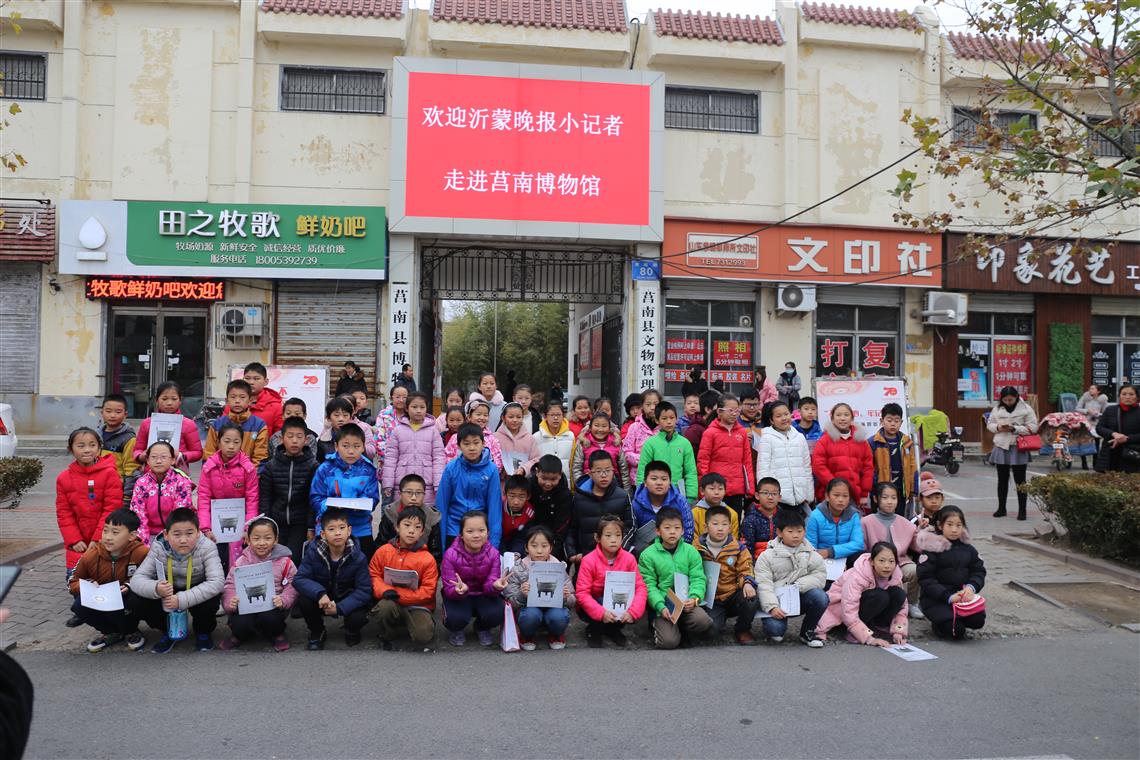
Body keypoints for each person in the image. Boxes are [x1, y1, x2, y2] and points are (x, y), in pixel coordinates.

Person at [129, 507, 225, 653]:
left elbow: (216, 582)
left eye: (189, 533)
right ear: (166, 535)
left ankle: (203, 632)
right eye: (177, 534)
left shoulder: (207, 547)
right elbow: (137, 579)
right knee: (136, 599)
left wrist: (180, 600)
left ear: (198, 533)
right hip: (168, 588)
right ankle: (166, 630)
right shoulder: (159, 547)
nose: (183, 540)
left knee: (211, 599)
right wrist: (156, 588)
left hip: (196, 585)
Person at [67, 508, 150, 653]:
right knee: (79, 605)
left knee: (135, 600)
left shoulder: (142, 553)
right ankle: (110, 632)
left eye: (115, 532)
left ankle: (131, 631)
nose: (108, 537)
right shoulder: (92, 554)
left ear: (132, 535)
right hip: (101, 598)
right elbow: (72, 581)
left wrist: (130, 586)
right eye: (105, 531)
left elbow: (151, 578)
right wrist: (87, 585)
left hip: (126, 600)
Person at [293, 506, 373, 650]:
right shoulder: (314, 552)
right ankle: (317, 631)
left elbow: (364, 590)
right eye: (331, 529)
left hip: (346, 597)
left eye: (342, 528)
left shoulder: (358, 556)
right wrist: (320, 593)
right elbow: (299, 579)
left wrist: (339, 608)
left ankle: (351, 630)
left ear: (349, 531)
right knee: (304, 600)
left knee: (359, 614)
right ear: (323, 534)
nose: (337, 533)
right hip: (323, 598)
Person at [638, 507, 714, 650]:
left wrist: (694, 598)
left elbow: (698, 578)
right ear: (658, 531)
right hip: (664, 605)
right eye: (667, 528)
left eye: (677, 528)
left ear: (683, 530)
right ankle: (656, 625)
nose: (672, 532)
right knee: (668, 643)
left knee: (703, 621)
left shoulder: (691, 551)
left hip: (685, 601)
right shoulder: (648, 555)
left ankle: (683, 630)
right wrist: (660, 606)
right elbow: (648, 585)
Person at [218, 516, 297, 652]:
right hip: (245, 606)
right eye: (256, 538)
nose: (262, 543)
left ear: (276, 539)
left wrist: (283, 599)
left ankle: (277, 635)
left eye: (268, 538)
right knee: (241, 623)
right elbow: (230, 585)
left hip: (272, 606)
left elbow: (292, 584)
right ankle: (238, 635)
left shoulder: (285, 562)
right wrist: (231, 601)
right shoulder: (241, 562)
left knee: (270, 618)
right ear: (248, 540)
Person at [57, 428, 122, 586]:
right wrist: (74, 540)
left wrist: (98, 538)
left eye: (92, 445)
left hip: (106, 540)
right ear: (71, 449)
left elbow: (112, 508)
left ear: (99, 448)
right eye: (81, 446)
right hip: (78, 545)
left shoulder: (109, 474)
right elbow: (64, 512)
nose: (87, 450)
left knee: (107, 583)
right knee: (77, 584)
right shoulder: (64, 478)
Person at [754, 510, 828, 646]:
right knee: (775, 632)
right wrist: (772, 607)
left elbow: (820, 576)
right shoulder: (767, 556)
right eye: (790, 531)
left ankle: (807, 632)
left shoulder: (812, 554)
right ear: (779, 532)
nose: (795, 535)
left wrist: (798, 585)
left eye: (799, 531)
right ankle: (775, 626)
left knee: (820, 597)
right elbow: (763, 584)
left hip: (799, 598)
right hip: (776, 602)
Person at [369, 506, 439, 651]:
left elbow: (428, 591)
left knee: (423, 636)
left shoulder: (427, 559)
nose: (411, 530)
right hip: (390, 600)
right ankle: (389, 633)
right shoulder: (383, 551)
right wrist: (384, 591)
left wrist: (398, 594)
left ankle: (417, 624)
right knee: (384, 608)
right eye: (407, 525)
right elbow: (373, 575)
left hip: (418, 605)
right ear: (397, 527)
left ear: (422, 532)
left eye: (417, 527)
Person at [814, 542, 909, 647]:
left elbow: (902, 607)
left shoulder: (895, 576)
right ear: (872, 561)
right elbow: (849, 608)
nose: (887, 566)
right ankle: (853, 633)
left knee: (899, 594)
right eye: (881, 561)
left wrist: (898, 631)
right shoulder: (857, 576)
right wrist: (868, 638)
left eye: (891, 561)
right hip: (842, 616)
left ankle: (879, 627)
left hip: (867, 612)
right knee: (880, 596)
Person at [309, 424, 380, 558]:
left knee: (361, 564)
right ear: (336, 446)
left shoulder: (368, 470)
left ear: (363, 447)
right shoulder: (325, 469)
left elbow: (373, 498)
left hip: (360, 528)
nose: (351, 451)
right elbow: (316, 497)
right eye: (345, 446)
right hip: (330, 527)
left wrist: (360, 505)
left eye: (356, 446)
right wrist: (328, 506)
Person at [917, 506, 986, 639]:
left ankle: (957, 619)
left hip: (962, 598)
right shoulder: (931, 548)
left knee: (978, 621)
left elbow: (978, 571)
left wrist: (971, 588)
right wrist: (948, 596)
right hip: (936, 599)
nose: (954, 529)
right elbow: (926, 579)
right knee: (956, 632)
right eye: (949, 525)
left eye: (958, 525)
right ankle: (939, 625)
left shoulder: (969, 549)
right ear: (940, 525)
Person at [197, 421, 259, 569]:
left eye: (236, 442)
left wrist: (248, 528)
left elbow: (252, 500)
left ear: (242, 443)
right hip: (215, 523)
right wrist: (205, 528)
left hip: (240, 524)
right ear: (218, 442)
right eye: (227, 441)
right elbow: (203, 498)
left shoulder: (248, 468)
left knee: (239, 561)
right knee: (215, 559)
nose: (231, 446)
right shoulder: (209, 467)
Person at [503, 525, 575, 650]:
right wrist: (521, 594)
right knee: (531, 615)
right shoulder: (518, 569)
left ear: (551, 547)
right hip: (529, 610)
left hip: (553, 609)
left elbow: (573, 600)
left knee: (559, 616)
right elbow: (510, 602)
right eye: (534, 546)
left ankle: (556, 634)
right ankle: (527, 636)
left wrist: (566, 596)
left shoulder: (559, 567)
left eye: (544, 546)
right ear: (526, 547)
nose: (539, 551)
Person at [694, 505, 759, 645]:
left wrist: (747, 583)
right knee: (711, 632)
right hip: (712, 599)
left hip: (732, 594)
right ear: (705, 527)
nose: (720, 528)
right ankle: (719, 619)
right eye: (715, 524)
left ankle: (742, 630)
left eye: (724, 524)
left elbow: (746, 568)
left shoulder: (738, 548)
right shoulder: (696, 548)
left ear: (730, 528)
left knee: (751, 598)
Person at [441, 511, 507, 647]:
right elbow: (448, 588)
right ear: (461, 534)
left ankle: (481, 627)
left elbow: (491, 583)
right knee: (454, 618)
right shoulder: (450, 554)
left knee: (498, 612)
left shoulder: (494, 554)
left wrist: (495, 586)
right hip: (459, 596)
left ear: (488, 532)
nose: (476, 535)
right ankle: (456, 630)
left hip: (483, 594)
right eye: (470, 531)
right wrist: (458, 590)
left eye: (481, 530)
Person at [260, 415, 319, 565]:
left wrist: (311, 526)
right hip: (276, 521)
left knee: (293, 558)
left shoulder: (313, 466)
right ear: (281, 439)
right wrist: (266, 522)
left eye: (299, 437)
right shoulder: (271, 466)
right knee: (274, 559)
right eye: (290, 436)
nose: (294, 441)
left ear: (306, 440)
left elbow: (313, 499)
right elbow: (265, 497)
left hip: (300, 523)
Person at [437, 423, 503, 549]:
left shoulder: (491, 470)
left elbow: (495, 509)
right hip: (454, 528)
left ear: (483, 444)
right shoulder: (451, 468)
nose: (472, 448)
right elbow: (442, 504)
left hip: (479, 531)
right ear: (459, 446)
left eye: (476, 443)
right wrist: (442, 544)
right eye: (466, 444)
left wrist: (493, 545)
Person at [862, 482, 922, 619]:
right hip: (874, 565)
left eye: (893, 498)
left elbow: (919, 546)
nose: (890, 502)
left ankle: (912, 603)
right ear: (876, 499)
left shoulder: (906, 523)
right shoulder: (865, 522)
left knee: (915, 570)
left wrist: (923, 531)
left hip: (899, 563)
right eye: (885, 497)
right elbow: (862, 549)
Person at [568, 450, 632, 563]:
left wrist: (621, 550)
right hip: (586, 559)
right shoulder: (579, 498)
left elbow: (631, 527)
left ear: (613, 471)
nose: (603, 475)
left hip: (616, 559)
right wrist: (572, 553)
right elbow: (571, 528)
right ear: (590, 473)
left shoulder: (622, 496)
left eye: (608, 470)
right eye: (598, 471)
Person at [382, 391, 446, 506]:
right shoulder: (397, 431)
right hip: (402, 483)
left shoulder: (433, 431)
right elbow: (391, 459)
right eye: (414, 407)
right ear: (407, 408)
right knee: (404, 514)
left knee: (424, 514)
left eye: (422, 407)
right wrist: (388, 484)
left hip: (426, 485)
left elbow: (439, 458)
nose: (418, 410)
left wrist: (438, 484)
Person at [697, 393, 754, 517]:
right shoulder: (710, 433)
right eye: (730, 410)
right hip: (716, 489)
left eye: (737, 410)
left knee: (734, 521)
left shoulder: (742, 433)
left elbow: (747, 462)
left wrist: (750, 487)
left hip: (737, 489)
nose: (734, 414)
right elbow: (703, 462)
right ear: (719, 412)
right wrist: (704, 488)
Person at [987, 386, 1039, 519]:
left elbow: (1033, 427)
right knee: (1002, 480)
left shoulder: (1026, 409)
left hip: (1019, 446)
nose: (1008, 402)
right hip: (1001, 445)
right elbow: (990, 424)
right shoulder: (997, 408)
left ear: (1016, 397)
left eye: (1010, 400)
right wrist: (999, 427)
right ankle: (1001, 508)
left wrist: (1015, 428)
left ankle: (1022, 511)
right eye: (1005, 400)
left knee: (1020, 481)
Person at [129, 442, 195, 546]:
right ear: (147, 460)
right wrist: (144, 545)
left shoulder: (182, 482)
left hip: (176, 534)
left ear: (173, 460)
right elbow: (139, 514)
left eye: (163, 457)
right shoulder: (141, 483)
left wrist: (171, 540)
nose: (158, 461)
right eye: (154, 457)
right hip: (149, 534)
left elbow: (180, 514)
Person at [811, 402, 873, 507]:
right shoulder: (824, 441)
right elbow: (819, 466)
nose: (842, 418)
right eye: (838, 415)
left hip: (854, 495)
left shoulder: (861, 441)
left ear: (852, 418)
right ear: (832, 419)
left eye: (846, 415)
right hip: (831, 495)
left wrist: (864, 493)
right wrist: (835, 486)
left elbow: (868, 468)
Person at [130, 381, 204, 467]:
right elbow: (137, 450)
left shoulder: (188, 424)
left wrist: (181, 455)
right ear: (157, 400)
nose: (169, 403)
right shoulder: (147, 423)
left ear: (180, 400)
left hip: (178, 471)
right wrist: (141, 456)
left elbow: (198, 452)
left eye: (174, 399)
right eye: (164, 399)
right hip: (151, 471)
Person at [758, 401, 814, 512]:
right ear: (771, 420)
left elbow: (807, 467)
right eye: (778, 416)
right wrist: (766, 495)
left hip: (801, 498)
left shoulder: (799, 437)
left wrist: (809, 495)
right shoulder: (767, 438)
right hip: (778, 499)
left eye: (786, 414)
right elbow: (763, 469)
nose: (784, 418)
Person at [636, 401, 698, 501]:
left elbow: (690, 471)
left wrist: (691, 496)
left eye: (672, 418)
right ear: (657, 420)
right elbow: (643, 470)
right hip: (655, 493)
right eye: (664, 418)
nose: (669, 422)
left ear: (676, 419)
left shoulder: (684, 443)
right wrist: (641, 494)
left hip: (678, 494)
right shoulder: (650, 443)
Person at [376, 473, 444, 560]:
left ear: (424, 494)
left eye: (418, 493)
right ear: (400, 493)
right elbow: (381, 543)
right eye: (409, 492)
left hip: (421, 562)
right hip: (391, 560)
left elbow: (435, 551)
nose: (414, 497)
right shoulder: (391, 512)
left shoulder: (432, 516)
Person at [631, 460, 695, 551]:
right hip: (646, 552)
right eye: (654, 479)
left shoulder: (680, 501)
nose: (659, 483)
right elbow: (633, 535)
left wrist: (676, 551)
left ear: (669, 483)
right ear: (645, 482)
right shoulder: (636, 505)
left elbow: (688, 532)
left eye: (664, 479)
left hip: (677, 551)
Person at [204, 379, 269, 467]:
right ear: (227, 400)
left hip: (248, 473)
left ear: (250, 400)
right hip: (221, 472)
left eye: (242, 397)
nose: (237, 401)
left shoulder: (259, 425)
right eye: (233, 397)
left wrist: (250, 473)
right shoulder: (217, 425)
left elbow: (260, 457)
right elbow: (209, 453)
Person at [869, 402, 918, 515]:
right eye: (889, 420)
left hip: (900, 490)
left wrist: (913, 489)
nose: (893, 424)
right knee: (879, 519)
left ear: (901, 422)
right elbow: (869, 468)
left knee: (898, 518)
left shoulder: (906, 442)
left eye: (896, 421)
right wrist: (873, 489)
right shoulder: (873, 442)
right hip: (880, 491)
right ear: (882, 421)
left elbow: (912, 466)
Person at [528, 454, 575, 559]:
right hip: (530, 536)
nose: (548, 483)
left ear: (560, 475)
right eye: (544, 478)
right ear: (537, 472)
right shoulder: (528, 487)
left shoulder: (565, 495)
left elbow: (562, 527)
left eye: (553, 479)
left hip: (553, 539)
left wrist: (552, 552)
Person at [805, 477, 864, 561]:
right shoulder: (815, 516)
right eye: (836, 495)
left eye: (845, 496)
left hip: (846, 556)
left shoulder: (853, 515)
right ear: (827, 496)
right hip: (821, 558)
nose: (841, 500)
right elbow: (810, 545)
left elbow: (858, 544)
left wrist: (830, 552)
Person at [98, 393, 138, 507]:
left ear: (125, 414)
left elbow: (131, 469)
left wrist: (127, 496)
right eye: (108, 411)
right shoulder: (96, 436)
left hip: (116, 489)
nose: (112, 415)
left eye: (118, 412)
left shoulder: (129, 439)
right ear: (102, 412)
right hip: (97, 487)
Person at [443, 399, 506, 470]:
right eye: (478, 414)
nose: (482, 418)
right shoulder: (457, 437)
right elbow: (448, 456)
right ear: (469, 417)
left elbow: (498, 459)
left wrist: (487, 471)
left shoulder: (492, 439)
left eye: (485, 415)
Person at [227, 362, 283, 436]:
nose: (251, 382)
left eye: (256, 379)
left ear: (266, 381)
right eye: (247, 378)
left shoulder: (276, 407)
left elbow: (279, 436)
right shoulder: (233, 403)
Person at [1096, 384, 1140, 474]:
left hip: (1132, 453)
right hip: (1110, 453)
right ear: (1119, 396)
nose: (1127, 397)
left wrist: (1127, 439)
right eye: (1124, 394)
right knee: (1108, 479)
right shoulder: (1110, 410)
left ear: (1137, 397)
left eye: (1131, 394)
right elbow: (1099, 428)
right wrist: (1114, 434)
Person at [318, 395, 377, 462]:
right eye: (336, 415)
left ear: (351, 417)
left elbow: (368, 457)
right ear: (328, 418)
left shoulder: (359, 434)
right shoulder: (323, 440)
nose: (341, 419)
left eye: (345, 415)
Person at [621, 388, 661, 486]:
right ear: (642, 406)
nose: (652, 407)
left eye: (656, 404)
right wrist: (645, 459)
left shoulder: (664, 428)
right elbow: (627, 452)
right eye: (648, 404)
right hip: (639, 479)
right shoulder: (634, 427)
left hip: (661, 479)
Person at [571, 412, 622, 487]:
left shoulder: (616, 443)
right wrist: (580, 486)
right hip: (588, 484)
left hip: (612, 485)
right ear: (590, 428)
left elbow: (624, 469)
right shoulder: (583, 443)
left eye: (604, 426)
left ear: (609, 429)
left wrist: (626, 490)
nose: (600, 429)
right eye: (596, 425)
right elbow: (577, 467)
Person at [495, 402, 542, 478]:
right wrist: (500, 468)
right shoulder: (495, 438)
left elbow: (536, 459)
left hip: (523, 482)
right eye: (511, 417)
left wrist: (524, 469)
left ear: (523, 418)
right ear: (503, 418)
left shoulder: (530, 439)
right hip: (500, 482)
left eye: (518, 417)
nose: (515, 420)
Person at [742, 477, 781, 558]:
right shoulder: (750, 519)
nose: (770, 497)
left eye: (774, 494)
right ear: (757, 496)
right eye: (765, 493)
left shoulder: (783, 517)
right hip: (758, 560)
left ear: (779, 497)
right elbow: (747, 548)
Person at [535, 399, 575, 479]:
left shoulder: (570, 436)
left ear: (563, 416)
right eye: (552, 415)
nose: (556, 418)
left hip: (565, 480)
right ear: (545, 416)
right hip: (544, 481)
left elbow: (573, 462)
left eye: (559, 415)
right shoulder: (536, 437)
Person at [692, 473, 739, 538]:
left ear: (725, 491)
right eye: (712, 488)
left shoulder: (732, 514)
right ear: (702, 491)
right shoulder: (694, 513)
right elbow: (693, 538)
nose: (716, 492)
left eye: (720, 489)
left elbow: (734, 539)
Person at [374, 385, 409, 472]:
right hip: (387, 463)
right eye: (397, 397)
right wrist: (390, 458)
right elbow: (379, 439)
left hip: (408, 464)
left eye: (404, 397)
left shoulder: (411, 415)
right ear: (391, 398)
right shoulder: (384, 415)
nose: (401, 400)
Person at [500, 475, 535, 555]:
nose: (516, 502)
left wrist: (516, 553)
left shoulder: (529, 513)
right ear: (505, 494)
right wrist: (504, 554)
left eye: (521, 497)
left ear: (528, 496)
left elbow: (521, 537)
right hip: (499, 540)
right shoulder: (498, 506)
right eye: (512, 496)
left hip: (515, 542)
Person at [683, 389, 720, 460]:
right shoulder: (694, 430)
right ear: (708, 409)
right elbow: (690, 458)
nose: (721, 411)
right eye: (719, 408)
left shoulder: (719, 426)